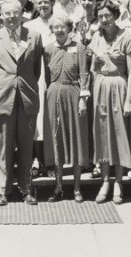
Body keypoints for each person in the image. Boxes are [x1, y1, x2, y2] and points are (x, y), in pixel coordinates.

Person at [0, 0, 44, 205]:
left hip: (26, 97)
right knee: (4, 145)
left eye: (14, 13)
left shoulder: (34, 36)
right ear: (1, 15)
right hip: (3, 97)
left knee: (26, 145)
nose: (10, 17)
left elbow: (36, 69)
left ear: (21, 14)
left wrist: (24, 84)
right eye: (6, 14)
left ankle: (27, 188)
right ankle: (4, 190)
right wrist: (2, 86)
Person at [89, 1, 131, 204]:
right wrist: (96, 85)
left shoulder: (127, 36)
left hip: (119, 87)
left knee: (119, 135)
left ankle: (118, 182)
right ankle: (105, 181)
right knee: (102, 136)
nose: (104, 20)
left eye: (107, 15)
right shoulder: (96, 37)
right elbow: (92, 67)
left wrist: (129, 100)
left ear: (115, 15)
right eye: (100, 16)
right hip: (101, 88)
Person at [41, 16, 90, 203]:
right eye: (56, 27)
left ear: (69, 28)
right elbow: (45, 75)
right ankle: (58, 186)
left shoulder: (79, 47)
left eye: (63, 27)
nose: (59, 30)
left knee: (76, 138)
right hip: (53, 93)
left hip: (74, 92)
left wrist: (83, 99)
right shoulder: (48, 49)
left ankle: (77, 187)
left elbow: (85, 74)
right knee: (56, 138)